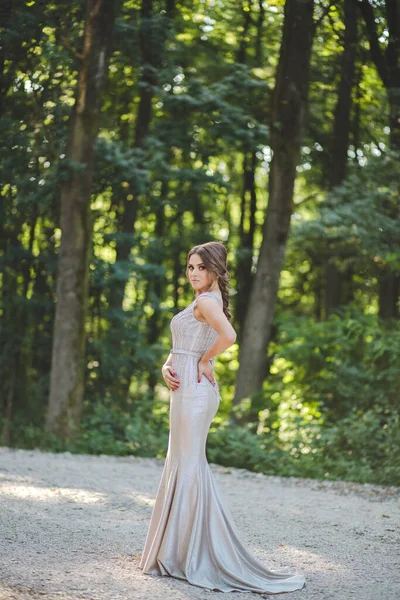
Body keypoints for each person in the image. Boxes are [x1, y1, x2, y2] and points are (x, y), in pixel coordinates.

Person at [139, 241, 306, 594]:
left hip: (195, 391)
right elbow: (183, 344)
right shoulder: (202, 300)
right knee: (182, 463)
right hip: (186, 388)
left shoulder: (206, 301)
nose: (194, 273)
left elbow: (229, 336)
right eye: (190, 267)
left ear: (215, 269)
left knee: (189, 465)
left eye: (200, 267)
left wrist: (203, 361)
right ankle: (179, 551)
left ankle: (187, 554)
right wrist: (167, 364)